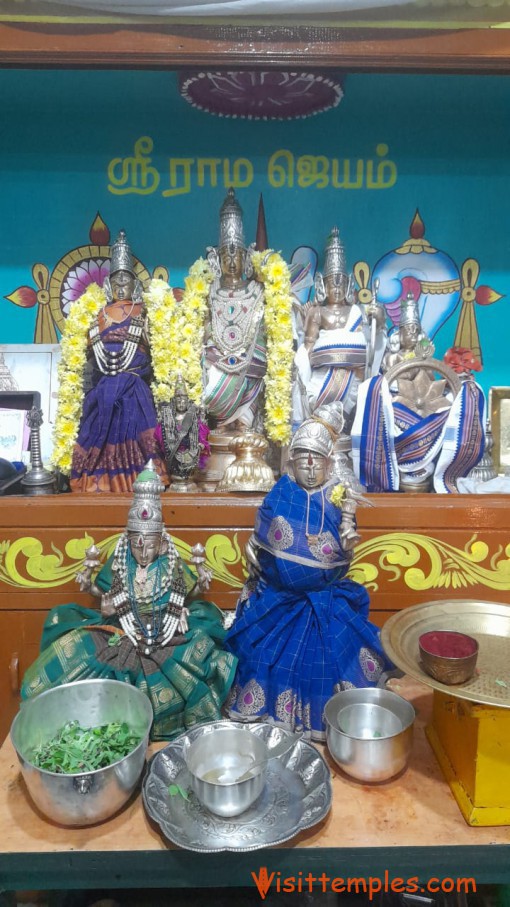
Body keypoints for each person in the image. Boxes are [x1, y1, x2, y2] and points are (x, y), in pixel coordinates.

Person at [21, 462, 237, 740]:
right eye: (136, 542)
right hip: (122, 630)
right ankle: (61, 720)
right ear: (128, 538)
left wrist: (183, 603)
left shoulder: (170, 563)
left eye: (149, 543)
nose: (143, 551)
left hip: (165, 633)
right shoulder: (121, 559)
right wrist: (95, 591)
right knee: (77, 655)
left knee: (189, 663)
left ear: (161, 542)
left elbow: (185, 592)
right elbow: (105, 597)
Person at [224, 418, 390, 741]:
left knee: (332, 660)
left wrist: (347, 535)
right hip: (278, 597)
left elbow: (346, 542)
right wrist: (256, 550)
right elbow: (262, 535)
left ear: (329, 465)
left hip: (326, 600)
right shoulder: (281, 493)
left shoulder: (339, 497)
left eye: (317, 464)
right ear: (291, 463)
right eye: (303, 462)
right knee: (261, 657)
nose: (311, 470)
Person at [352, 296, 486, 493]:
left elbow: (431, 383)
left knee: (444, 411)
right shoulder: (392, 357)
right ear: (400, 334)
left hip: (422, 406)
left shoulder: (426, 358)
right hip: (396, 405)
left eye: (416, 330)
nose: (412, 335)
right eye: (408, 331)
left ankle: (423, 463)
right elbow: (386, 381)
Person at [70, 230, 167, 492]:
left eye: (126, 279)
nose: (121, 284)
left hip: (135, 390)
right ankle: (100, 481)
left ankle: (141, 479)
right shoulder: (97, 316)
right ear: (109, 285)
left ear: (135, 284)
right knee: (97, 428)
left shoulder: (143, 312)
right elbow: (93, 358)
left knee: (137, 424)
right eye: (116, 280)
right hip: (103, 391)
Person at [294, 227, 386, 427]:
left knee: (354, 406)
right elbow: (308, 347)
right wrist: (313, 361)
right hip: (323, 376)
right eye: (331, 285)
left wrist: (379, 320)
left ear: (347, 286)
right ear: (323, 286)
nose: (336, 289)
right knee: (317, 403)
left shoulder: (357, 312)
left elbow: (371, 343)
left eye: (340, 285)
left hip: (352, 378)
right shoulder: (317, 312)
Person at [203, 188, 266, 434]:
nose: (231, 262)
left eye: (236, 255)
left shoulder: (257, 291)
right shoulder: (207, 292)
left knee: (244, 431)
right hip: (217, 373)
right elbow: (203, 334)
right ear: (216, 260)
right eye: (225, 256)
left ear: (246, 257)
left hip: (248, 374)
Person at [156, 374, 210, 491]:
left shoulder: (193, 416)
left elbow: (201, 435)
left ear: (188, 401)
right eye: (178, 400)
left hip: (191, 454)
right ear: (174, 401)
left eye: (184, 400)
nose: (181, 403)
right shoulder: (168, 418)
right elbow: (161, 439)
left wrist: (199, 444)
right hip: (174, 456)